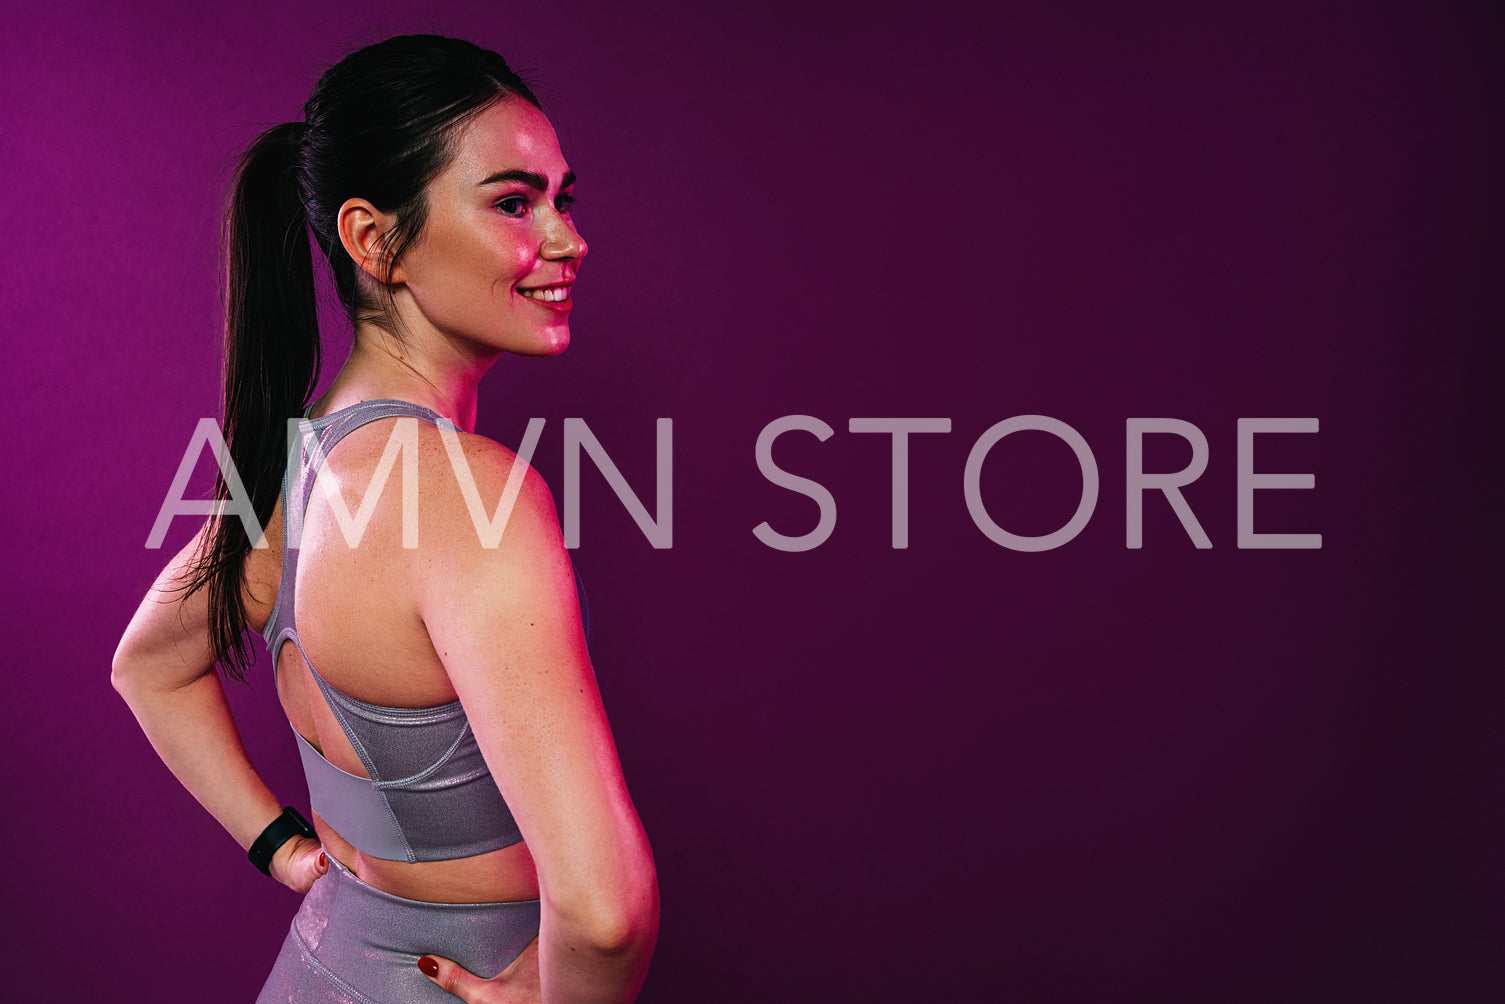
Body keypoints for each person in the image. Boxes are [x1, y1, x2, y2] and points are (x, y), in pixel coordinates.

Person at [111, 34, 658, 1003]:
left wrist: (283, 850)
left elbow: (146, 664)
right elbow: (603, 910)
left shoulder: (296, 460)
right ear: (373, 239)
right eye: (512, 202)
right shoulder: (464, 496)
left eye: (560, 198)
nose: (567, 239)